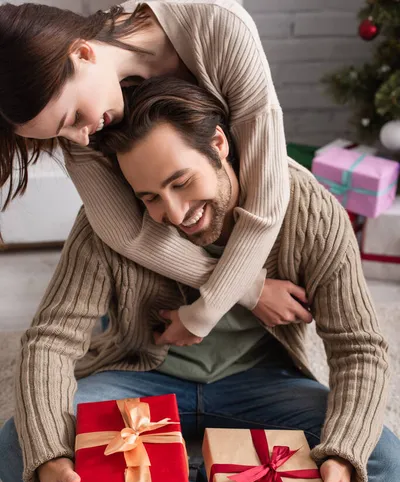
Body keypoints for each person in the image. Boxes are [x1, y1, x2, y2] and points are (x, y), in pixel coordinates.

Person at [1, 78, 399, 482]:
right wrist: (55, 458)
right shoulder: (108, 220)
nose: (175, 213)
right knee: (22, 449)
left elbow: (360, 347)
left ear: (219, 144)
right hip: (143, 376)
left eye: (181, 182)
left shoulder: (309, 210)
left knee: (381, 464)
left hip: (261, 383)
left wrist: (341, 455)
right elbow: (51, 339)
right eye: (149, 197)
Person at [0, 0, 313, 347]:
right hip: (166, 260)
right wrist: (250, 289)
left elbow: (267, 193)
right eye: (61, 135)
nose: (80, 139)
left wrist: (204, 313)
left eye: (72, 119)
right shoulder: (80, 129)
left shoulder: (219, 27)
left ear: (84, 54)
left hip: (235, 228)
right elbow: (127, 232)